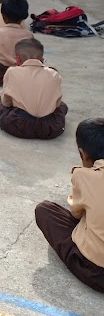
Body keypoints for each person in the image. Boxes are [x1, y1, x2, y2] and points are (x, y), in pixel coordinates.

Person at [35, 118, 104, 292]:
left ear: (83, 154)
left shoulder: (85, 176)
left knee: (45, 211)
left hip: (96, 273)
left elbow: (76, 214)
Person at [0, 38, 66, 139]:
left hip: (19, 126)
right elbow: (57, 104)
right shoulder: (54, 74)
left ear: (17, 60)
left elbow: (6, 103)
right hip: (50, 128)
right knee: (63, 106)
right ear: (42, 59)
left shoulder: (12, 71)